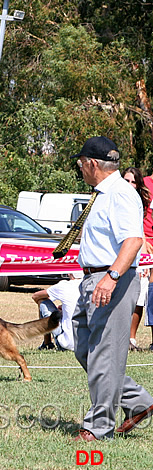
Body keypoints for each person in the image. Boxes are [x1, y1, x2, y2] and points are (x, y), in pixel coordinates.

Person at [70, 136, 153, 441]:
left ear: (92, 164)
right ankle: (138, 402)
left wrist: (111, 277)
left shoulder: (120, 194)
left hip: (110, 280)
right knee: (84, 347)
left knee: (104, 352)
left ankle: (98, 426)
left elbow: (133, 241)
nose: (81, 170)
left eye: (81, 164)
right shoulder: (102, 194)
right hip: (93, 279)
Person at [122, 167, 152, 351]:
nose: (130, 185)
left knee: (138, 297)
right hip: (120, 255)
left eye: (134, 182)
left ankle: (131, 339)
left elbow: (139, 228)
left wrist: (145, 254)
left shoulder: (139, 203)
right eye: (127, 181)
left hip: (140, 253)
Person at [32, 273, 82, 351]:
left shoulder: (64, 285)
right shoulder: (91, 285)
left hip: (67, 344)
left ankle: (47, 343)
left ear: (69, 274)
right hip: (86, 344)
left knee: (42, 301)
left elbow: (35, 296)